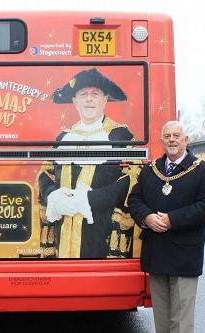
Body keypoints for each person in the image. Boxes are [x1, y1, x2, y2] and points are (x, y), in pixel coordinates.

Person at [38, 67, 139, 259]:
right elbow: (45, 174)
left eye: (95, 94)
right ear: (75, 102)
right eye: (83, 94)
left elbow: (131, 179)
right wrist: (53, 196)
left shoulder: (120, 135)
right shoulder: (63, 137)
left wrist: (88, 200)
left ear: (105, 99)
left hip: (100, 228)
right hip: (63, 225)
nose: (89, 99)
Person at [128, 120, 205, 333]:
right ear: (162, 140)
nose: (172, 140)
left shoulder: (203, 171)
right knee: (161, 316)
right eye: (168, 136)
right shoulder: (150, 170)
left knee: (181, 320)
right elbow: (134, 199)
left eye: (177, 136)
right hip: (157, 252)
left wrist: (172, 219)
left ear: (185, 140)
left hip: (184, 255)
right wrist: (147, 217)